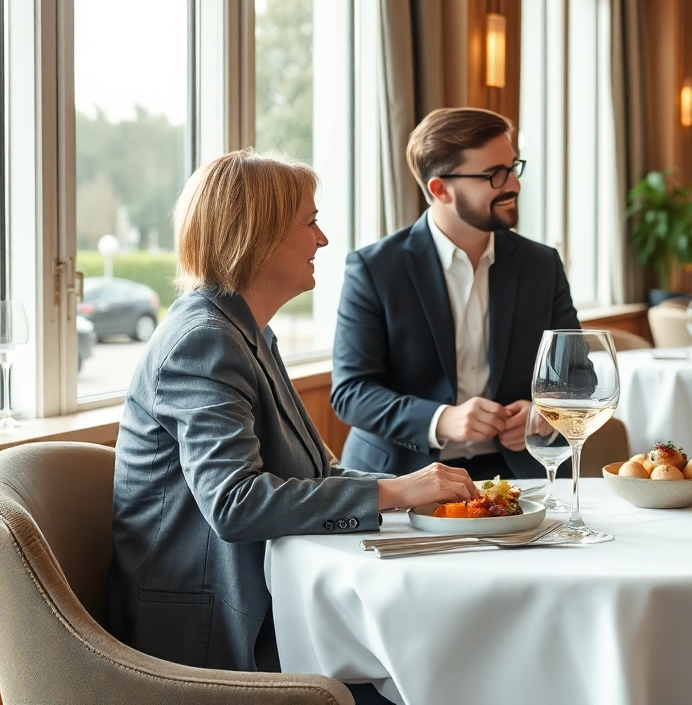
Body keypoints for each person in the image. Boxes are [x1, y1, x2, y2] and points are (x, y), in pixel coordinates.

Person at [107, 150, 479, 678]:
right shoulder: (204, 341)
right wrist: (395, 492)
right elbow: (235, 504)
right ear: (257, 237)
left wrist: (418, 489)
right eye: (310, 222)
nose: (322, 240)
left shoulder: (246, 331)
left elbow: (315, 474)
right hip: (208, 641)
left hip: (268, 604)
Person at [332, 107, 580, 479]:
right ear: (440, 189)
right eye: (494, 174)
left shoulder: (541, 265)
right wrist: (441, 419)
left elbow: (578, 375)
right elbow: (351, 392)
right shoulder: (375, 269)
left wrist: (545, 412)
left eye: (513, 168)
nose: (513, 185)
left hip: (519, 472)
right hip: (402, 476)